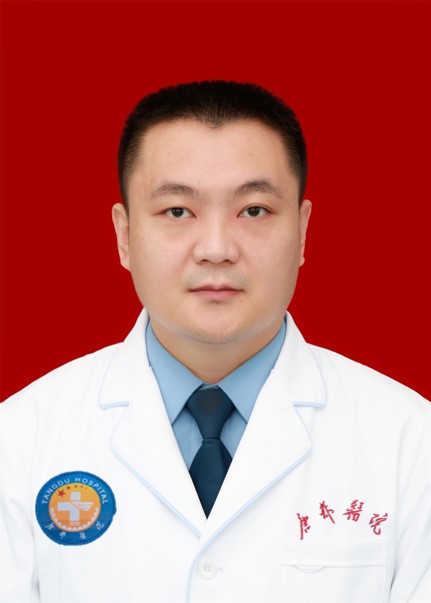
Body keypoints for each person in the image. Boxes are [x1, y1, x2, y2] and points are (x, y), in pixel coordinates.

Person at [0, 81, 430, 603]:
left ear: (302, 231)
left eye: (253, 210)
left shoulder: (411, 442)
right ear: (124, 235)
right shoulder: (20, 439)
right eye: (178, 211)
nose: (217, 248)